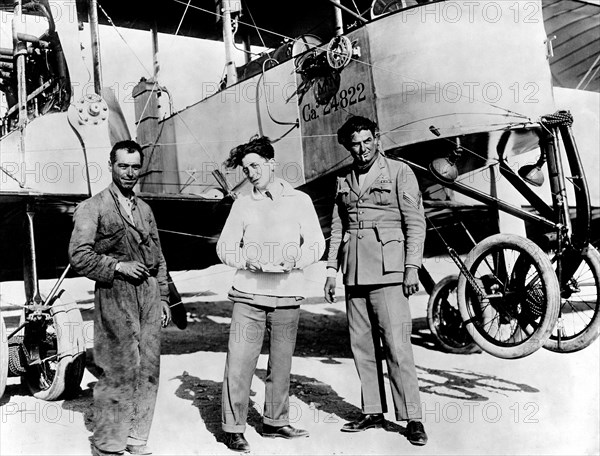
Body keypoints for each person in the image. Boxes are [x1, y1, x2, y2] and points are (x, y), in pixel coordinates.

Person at [323, 116, 428, 446]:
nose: (362, 148)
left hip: (389, 271)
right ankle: (372, 411)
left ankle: (413, 418)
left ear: (377, 139)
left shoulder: (399, 173)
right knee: (361, 345)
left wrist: (411, 267)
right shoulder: (343, 179)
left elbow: (415, 223)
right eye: (355, 143)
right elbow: (338, 228)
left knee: (397, 346)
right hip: (354, 271)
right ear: (347, 146)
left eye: (368, 141)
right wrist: (330, 270)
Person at [216, 136, 325, 453]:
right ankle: (233, 428)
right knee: (239, 363)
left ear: (272, 164)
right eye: (246, 168)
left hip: (287, 292)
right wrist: (244, 260)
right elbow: (224, 247)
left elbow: (316, 244)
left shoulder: (300, 201)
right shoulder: (242, 203)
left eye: (255, 165)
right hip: (248, 293)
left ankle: (275, 422)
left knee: (281, 363)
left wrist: (296, 260)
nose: (250, 172)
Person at [69, 140, 172, 456]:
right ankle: (108, 445)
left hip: (149, 294)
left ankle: (136, 438)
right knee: (119, 368)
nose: (129, 173)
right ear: (111, 165)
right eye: (123, 166)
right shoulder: (93, 207)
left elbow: (159, 255)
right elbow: (79, 255)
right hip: (116, 293)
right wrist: (117, 265)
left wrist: (164, 296)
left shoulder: (145, 209)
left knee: (149, 366)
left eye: (135, 166)